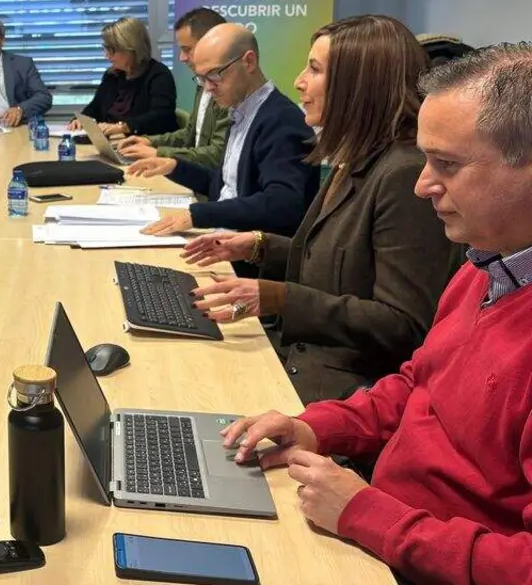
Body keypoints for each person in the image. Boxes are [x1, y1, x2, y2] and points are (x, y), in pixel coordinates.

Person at [221, 44, 532, 585]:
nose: (423, 184)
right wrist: (315, 427)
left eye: (448, 165)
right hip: (379, 528)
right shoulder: (483, 265)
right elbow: (418, 383)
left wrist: (366, 514)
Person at [181, 15, 464, 404]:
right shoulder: (358, 157)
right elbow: (339, 265)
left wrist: (279, 297)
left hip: (343, 390)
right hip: (305, 357)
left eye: (314, 70)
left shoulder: (404, 175)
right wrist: (259, 246)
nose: (299, 81)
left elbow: (403, 325)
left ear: (357, 85)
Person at [136, 24, 319, 237]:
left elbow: (282, 203)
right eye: (201, 78)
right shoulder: (241, 111)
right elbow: (224, 187)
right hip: (223, 238)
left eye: (214, 74)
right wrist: (175, 167)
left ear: (248, 62)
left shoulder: (281, 120)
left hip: (250, 257)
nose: (208, 87)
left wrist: (197, 216)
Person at [116, 8, 232, 168]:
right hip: (196, 173)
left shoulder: (230, 91)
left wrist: (159, 153)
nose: (182, 58)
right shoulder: (202, 83)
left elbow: (218, 155)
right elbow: (189, 134)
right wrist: (149, 141)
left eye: (187, 49)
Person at [68, 16, 178, 136]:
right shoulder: (112, 75)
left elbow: (161, 117)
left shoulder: (159, 75)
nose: (106, 56)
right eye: (106, 49)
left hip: (144, 146)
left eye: (112, 50)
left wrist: (123, 127)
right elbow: (95, 107)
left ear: (131, 49)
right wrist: (81, 120)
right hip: (112, 143)